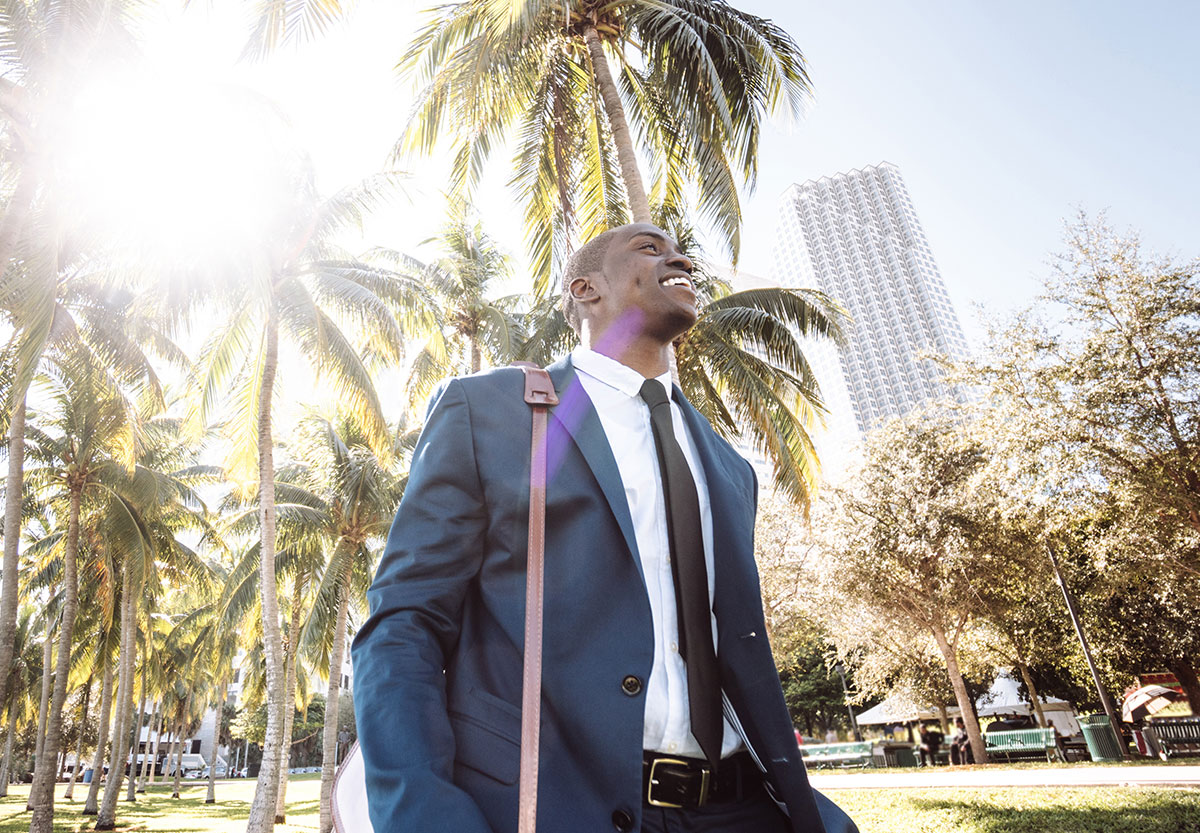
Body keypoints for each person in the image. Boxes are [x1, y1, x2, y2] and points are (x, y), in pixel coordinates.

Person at [351, 223, 853, 833]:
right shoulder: (488, 410)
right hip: (560, 808)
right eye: (648, 247)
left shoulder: (730, 467)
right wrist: (423, 816)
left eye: (678, 248)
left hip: (742, 809)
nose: (678, 255)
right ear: (585, 289)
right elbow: (404, 622)